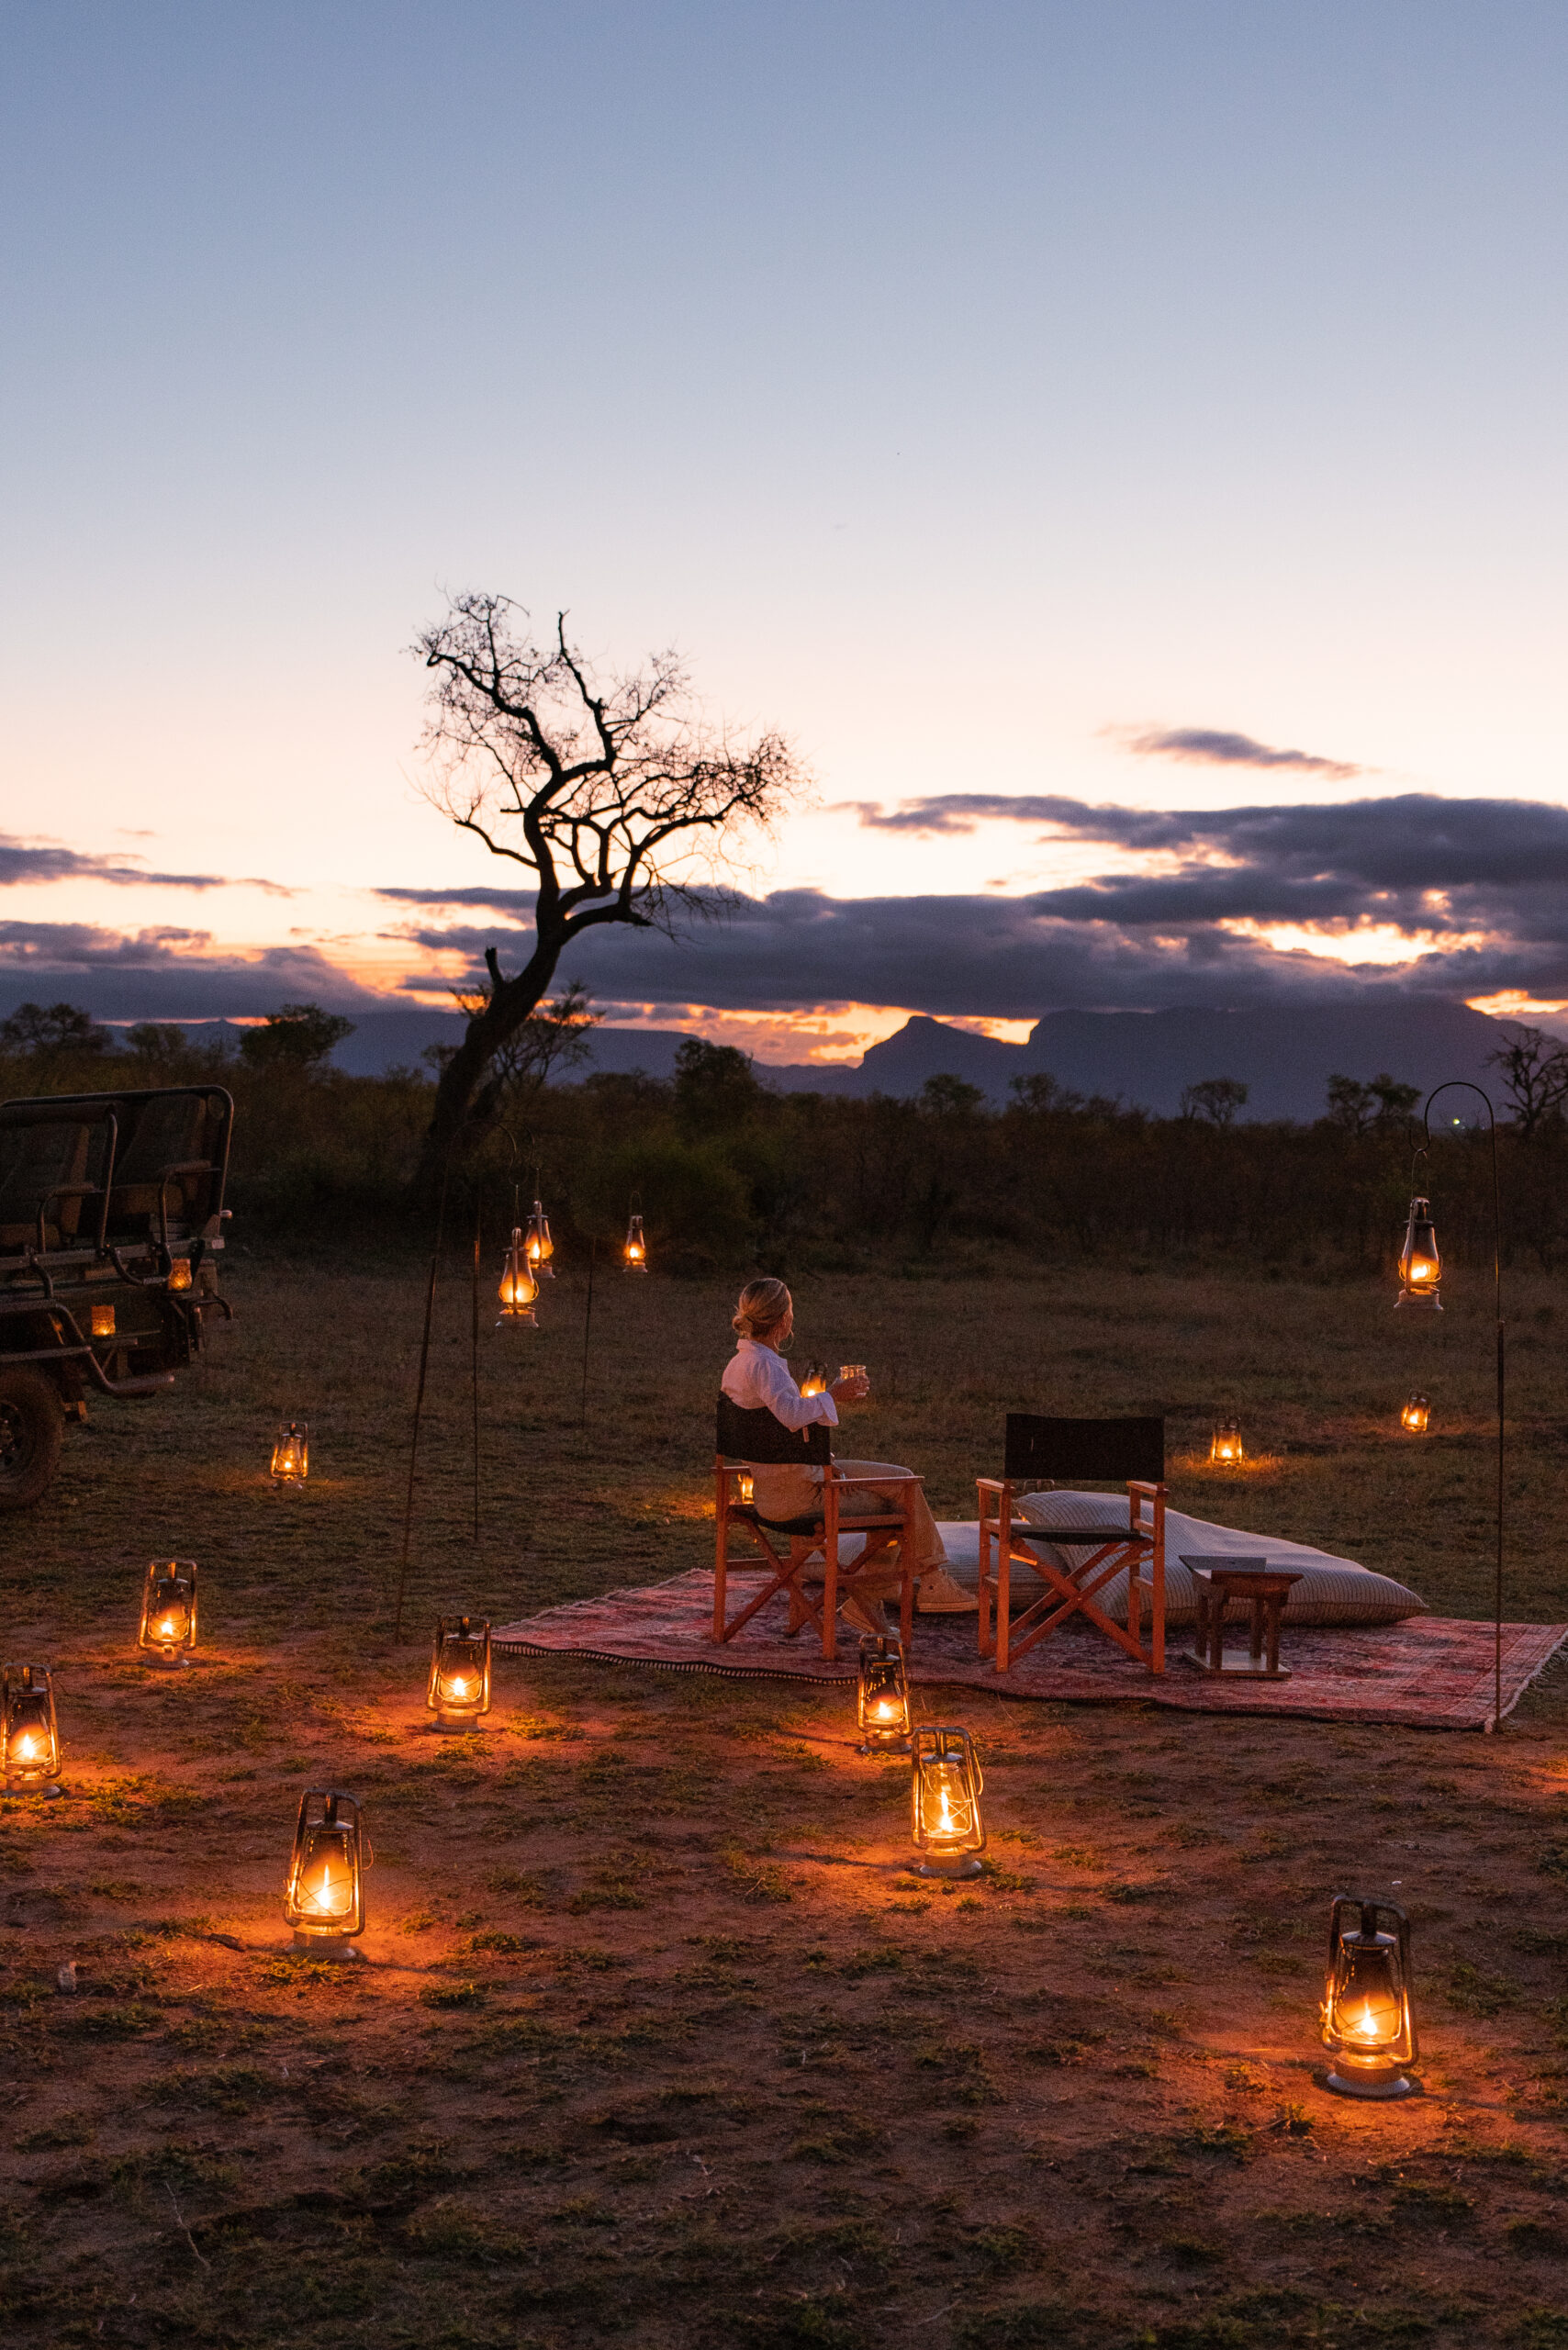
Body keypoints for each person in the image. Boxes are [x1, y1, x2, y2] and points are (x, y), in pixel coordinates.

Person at [720, 1277, 975, 1635]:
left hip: (774, 1489)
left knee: (899, 1478)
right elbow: (792, 1417)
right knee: (900, 1495)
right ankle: (928, 1581)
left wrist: (824, 1450)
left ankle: (869, 1598)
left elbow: (777, 1431)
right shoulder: (765, 1366)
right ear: (784, 1320)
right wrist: (833, 1395)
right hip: (802, 1495)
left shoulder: (737, 1365)